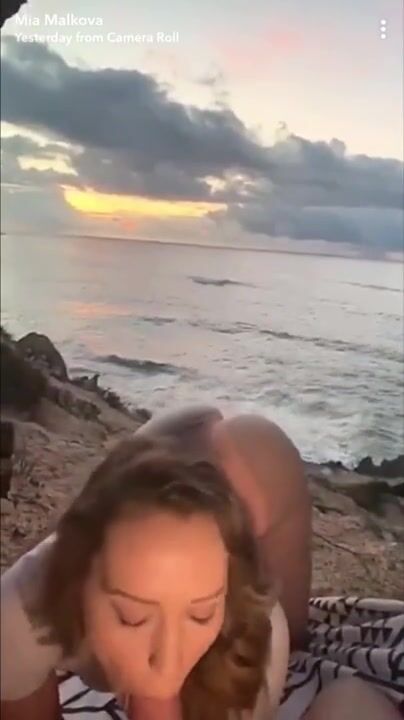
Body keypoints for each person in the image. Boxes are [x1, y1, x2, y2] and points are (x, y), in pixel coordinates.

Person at [1, 429, 290, 720]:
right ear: (77, 582)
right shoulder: (20, 611)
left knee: (252, 441)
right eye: (132, 617)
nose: (167, 662)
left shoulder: (249, 647)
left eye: (201, 615)